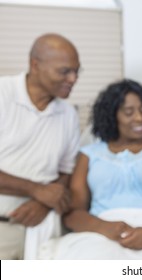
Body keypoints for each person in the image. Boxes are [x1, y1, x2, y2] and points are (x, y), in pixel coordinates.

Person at [39, 79, 142, 259]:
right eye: (128, 112)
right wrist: (105, 228)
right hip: (101, 233)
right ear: (111, 115)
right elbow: (73, 214)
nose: (139, 118)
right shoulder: (89, 155)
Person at [0, 33, 81, 259]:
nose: (73, 78)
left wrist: (43, 203)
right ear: (35, 65)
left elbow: (65, 171)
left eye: (77, 71)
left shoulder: (68, 114)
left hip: (43, 228)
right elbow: (42, 189)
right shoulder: (3, 95)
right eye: (65, 71)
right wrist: (36, 190)